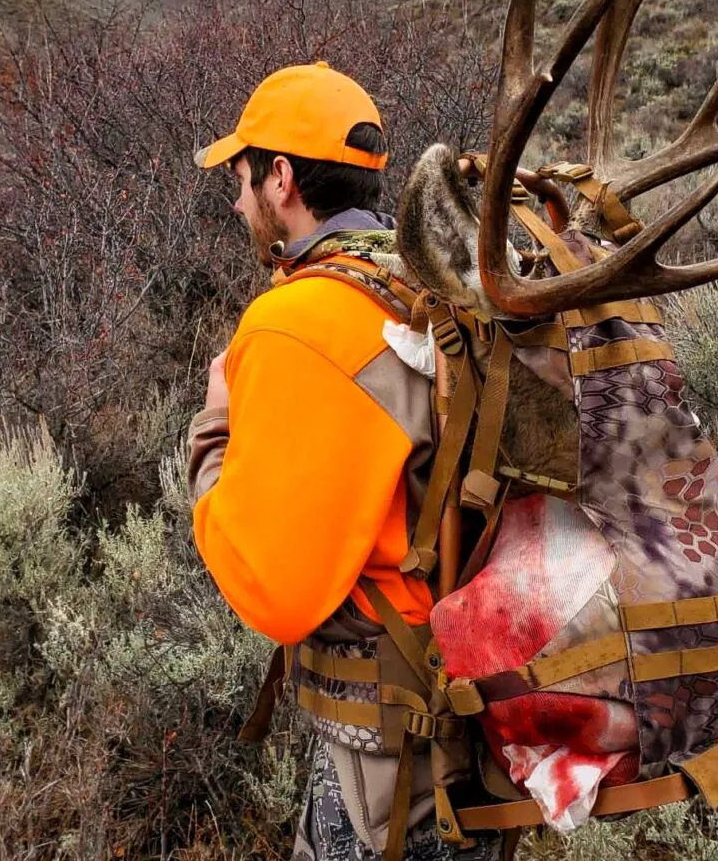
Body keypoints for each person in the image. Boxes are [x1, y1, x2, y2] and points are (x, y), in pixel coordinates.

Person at [187, 62, 499, 860]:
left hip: (390, 760)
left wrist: (214, 430)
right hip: (482, 725)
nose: (236, 199)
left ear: (281, 178)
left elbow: (274, 593)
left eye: (242, 176)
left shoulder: (297, 322)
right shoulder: (430, 280)